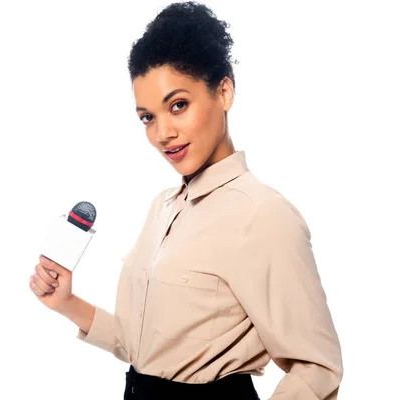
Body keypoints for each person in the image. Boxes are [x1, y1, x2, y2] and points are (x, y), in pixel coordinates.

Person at [28, 2, 343, 399]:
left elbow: (318, 366)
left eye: (178, 105)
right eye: (148, 117)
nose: (163, 133)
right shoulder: (162, 207)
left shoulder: (263, 215)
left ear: (224, 91)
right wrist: (66, 302)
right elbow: (142, 346)